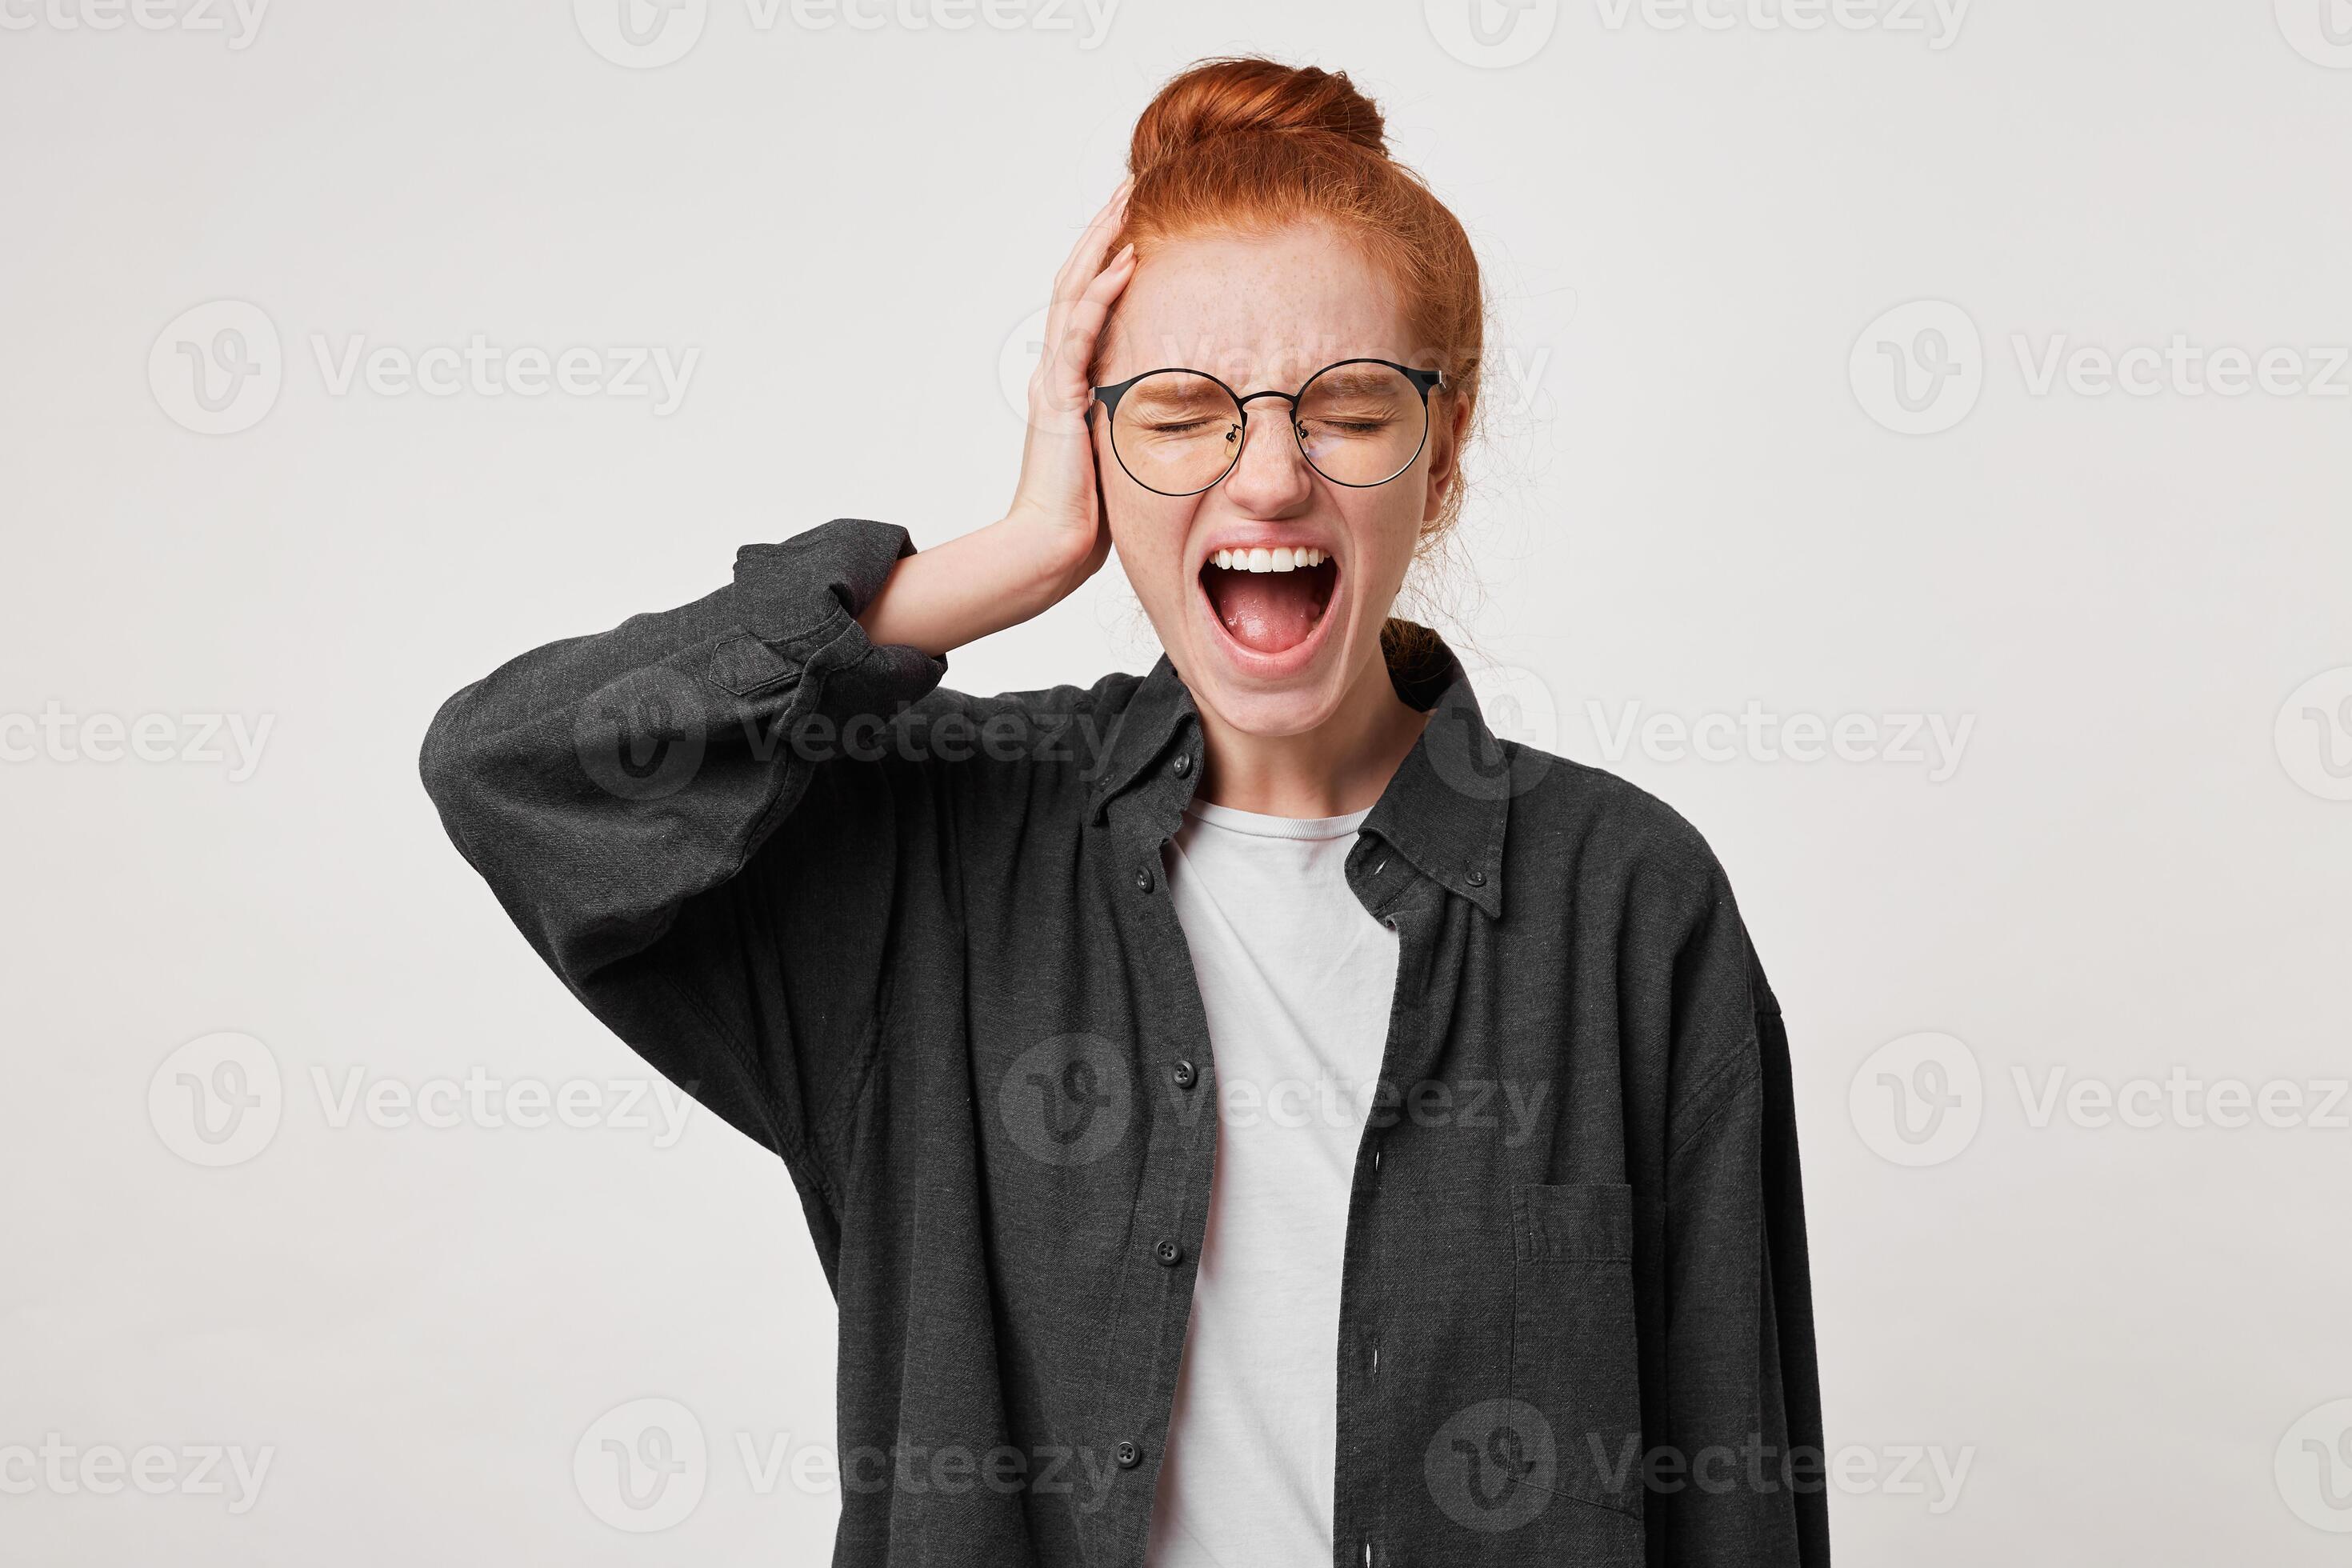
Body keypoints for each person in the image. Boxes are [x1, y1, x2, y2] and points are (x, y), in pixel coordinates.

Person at [421, 54, 1828, 1568]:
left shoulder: (1630, 907)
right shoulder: (933, 862)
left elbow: (1738, 1503)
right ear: (1096, 443)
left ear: (1448, 446)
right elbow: (515, 769)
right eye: (1181, 413)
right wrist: (1007, 558)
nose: (1271, 476)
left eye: (1349, 407)